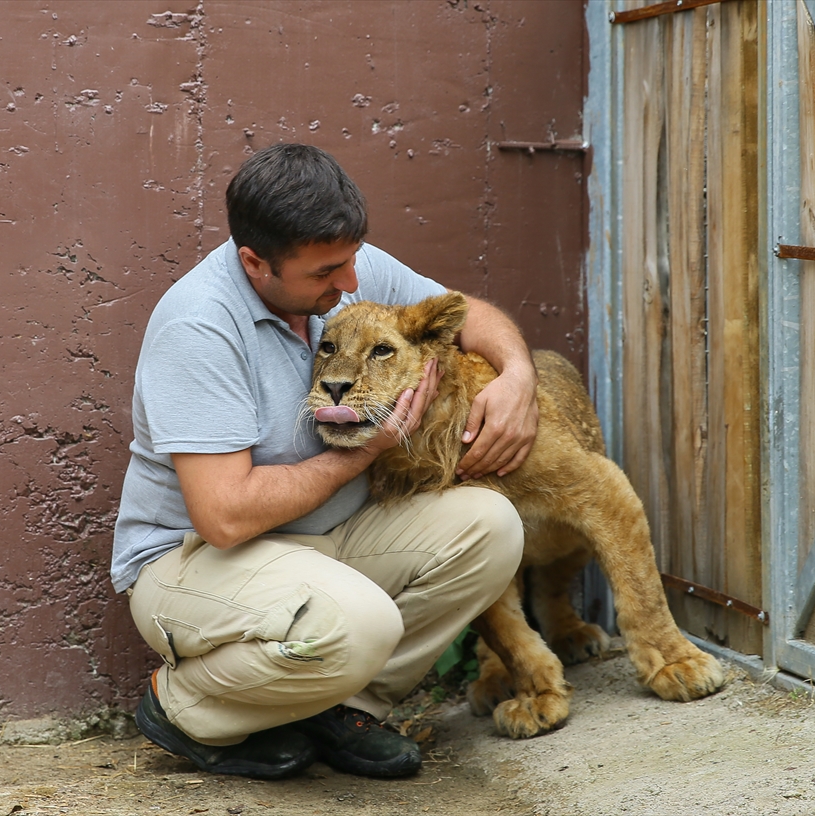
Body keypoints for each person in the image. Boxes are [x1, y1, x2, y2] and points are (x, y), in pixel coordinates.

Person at [111, 143, 539, 781]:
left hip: (321, 541)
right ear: (255, 262)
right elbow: (225, 516)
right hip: (197, 561)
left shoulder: (340, 265)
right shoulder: (198, 328)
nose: (350, 288)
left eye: (351, 262)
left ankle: (333, 708)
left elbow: (464, 313)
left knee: (490, 526)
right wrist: (367, 451)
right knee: (359, 623)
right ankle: (186, 706)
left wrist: (518, 374)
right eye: (324, 276)